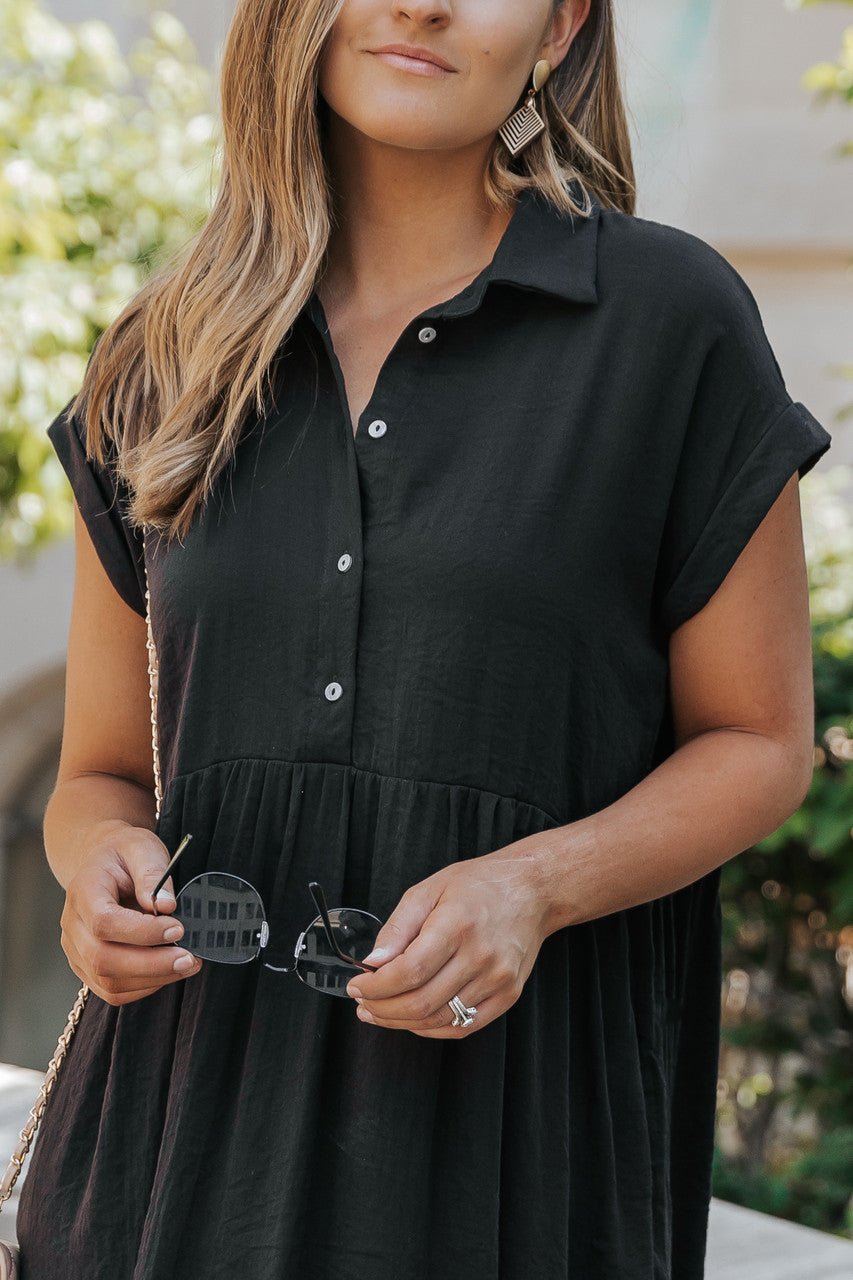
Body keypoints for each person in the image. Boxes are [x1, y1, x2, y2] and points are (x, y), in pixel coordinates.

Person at [16, 1, 833, 1277]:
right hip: (166, 1162)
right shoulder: (161, 353)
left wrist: (532, 886)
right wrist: (100, 875)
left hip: (516, 1157)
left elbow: (762, 741)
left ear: (560, 26)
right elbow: (99, 775)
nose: (423, 3)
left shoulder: (669, 322)